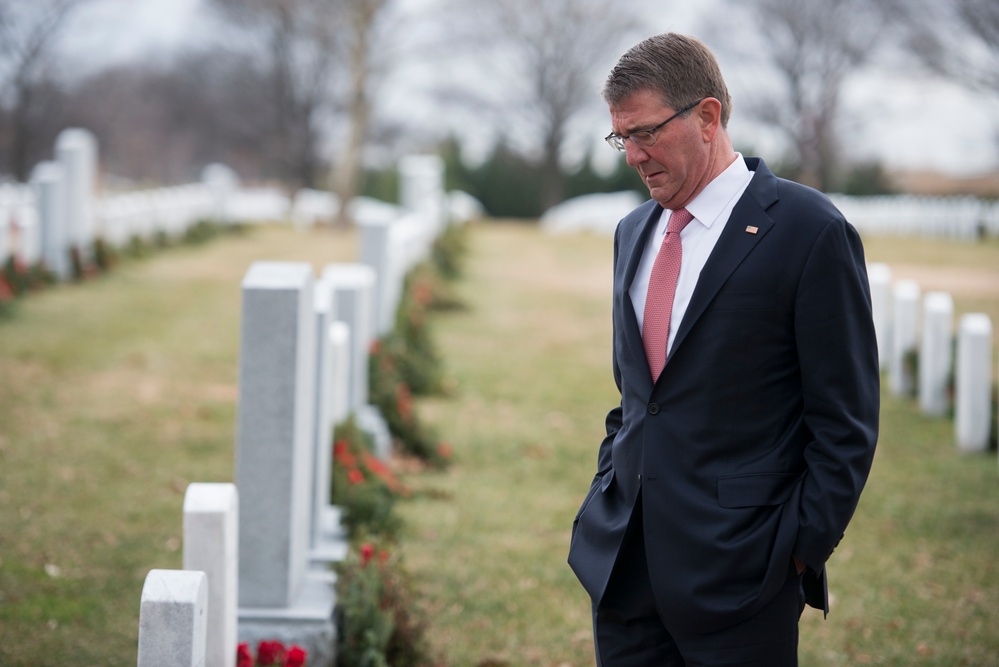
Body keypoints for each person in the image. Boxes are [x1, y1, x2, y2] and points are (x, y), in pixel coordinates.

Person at [567, 33, 879, 666]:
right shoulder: (634, 232)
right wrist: (609, 486)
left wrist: (793, 551)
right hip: (625, 573)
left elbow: (845, 424)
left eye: (645, 132)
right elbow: (638, 398)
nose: (632, 155)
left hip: (743, 581)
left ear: (707, 117)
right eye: (620, 137)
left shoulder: (809, 231)